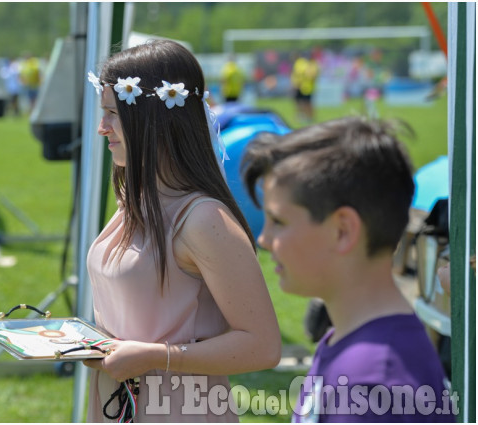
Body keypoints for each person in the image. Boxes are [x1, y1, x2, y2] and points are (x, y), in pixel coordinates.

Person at [83, 39, 281, 422]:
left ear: (153, 117)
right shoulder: (135, 203)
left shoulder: (204, 220)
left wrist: (157, 357)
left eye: (112, 113)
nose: (100, 128)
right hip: (118, 406)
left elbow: (264, 346)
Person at [242, 117, 457, 422]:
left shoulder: (374, 382)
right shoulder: (347, 342)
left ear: (343, 230)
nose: (264, 239)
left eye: (279, 222)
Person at [290, 51, 320, 124]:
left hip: (308, 88)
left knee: (308, 103)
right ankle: (301, 116)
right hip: (299, 87)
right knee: (299, 102)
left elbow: (313, 76)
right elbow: (296, 74)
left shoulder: (313, 64)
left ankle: (310, 117)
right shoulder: (299, 63)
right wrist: (295, 83)